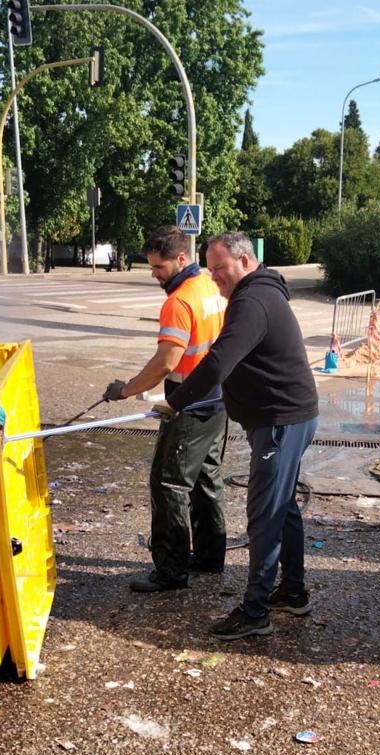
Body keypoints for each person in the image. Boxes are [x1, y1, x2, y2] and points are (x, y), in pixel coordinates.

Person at [156, 232, 319, 640]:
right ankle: (294, 593)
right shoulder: (257, 294)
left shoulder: (253, 301)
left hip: (281, 421)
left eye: (221, 269)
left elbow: (217, 363)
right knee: (283, 509)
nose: (215, 278)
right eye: (210, 270)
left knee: (265, 516)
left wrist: (177, 401)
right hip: (286, 417)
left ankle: (255, 611)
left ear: (245, 262)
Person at [103, 225, 228, 592]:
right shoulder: (210, 287)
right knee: (206, 479)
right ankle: (209, 556)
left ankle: (171, 571)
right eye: (151, 268)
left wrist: (125, 390)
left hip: (188, 404)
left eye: (159, 268)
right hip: (219, 401)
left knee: (168, 483)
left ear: (180, 259)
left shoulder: (178, 302)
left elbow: (166, 362)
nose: (154, 275)